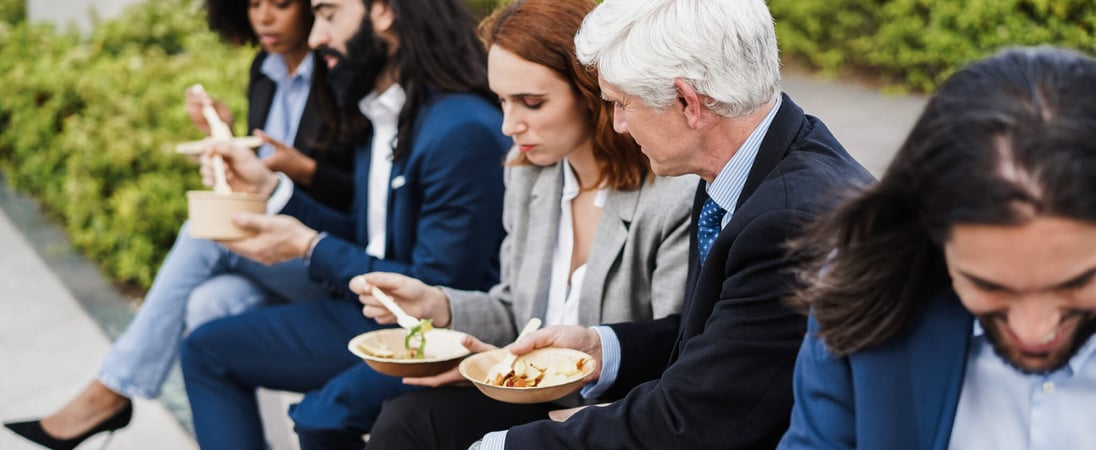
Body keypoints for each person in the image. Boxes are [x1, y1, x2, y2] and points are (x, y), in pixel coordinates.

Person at [466, 0, 873, 448]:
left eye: (621, 104)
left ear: (687, 102)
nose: (617, 124)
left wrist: (503, 446)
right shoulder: (746, 162)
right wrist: (604, 348)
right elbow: (721, 338)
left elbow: (694, 418)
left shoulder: (785, 220)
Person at [339, 0, 694, 448]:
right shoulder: (529, 174)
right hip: (533, 392)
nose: (509, 125)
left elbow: (672, 348)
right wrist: (437, 306)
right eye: (502, 101)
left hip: (613, 409)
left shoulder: (669, 195)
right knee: (405, 417)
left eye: (531, 102)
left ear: (594, 93)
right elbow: (516, 311)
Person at [2, 1, 356, 448]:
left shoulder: (337, 71)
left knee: (204, 229)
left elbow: (359, 196)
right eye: (253, 4)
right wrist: (224, 132)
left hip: (328, 255)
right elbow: (260, 173)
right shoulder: (263, 71)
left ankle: (111, 391)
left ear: (310, 9)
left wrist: (302, 171)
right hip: (273, 252)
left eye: (281, 5)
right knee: (207, 305)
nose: (264, 17)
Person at [178, 0, 511, 448]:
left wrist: (311, 247)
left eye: (328, 14)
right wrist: (271, 190)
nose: (315, 37)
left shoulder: (459, 128)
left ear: (386, 12)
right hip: (369, 315)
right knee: (204, 348)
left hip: (433, 334)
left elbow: (438, 288)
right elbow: (364, 234)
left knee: (321, 416)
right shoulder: (381, 110)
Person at [777, 47, 1096, 450]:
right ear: (932, 235)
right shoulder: (863, 300)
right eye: (990, 287)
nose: (1034, 332)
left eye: (1077, 282)